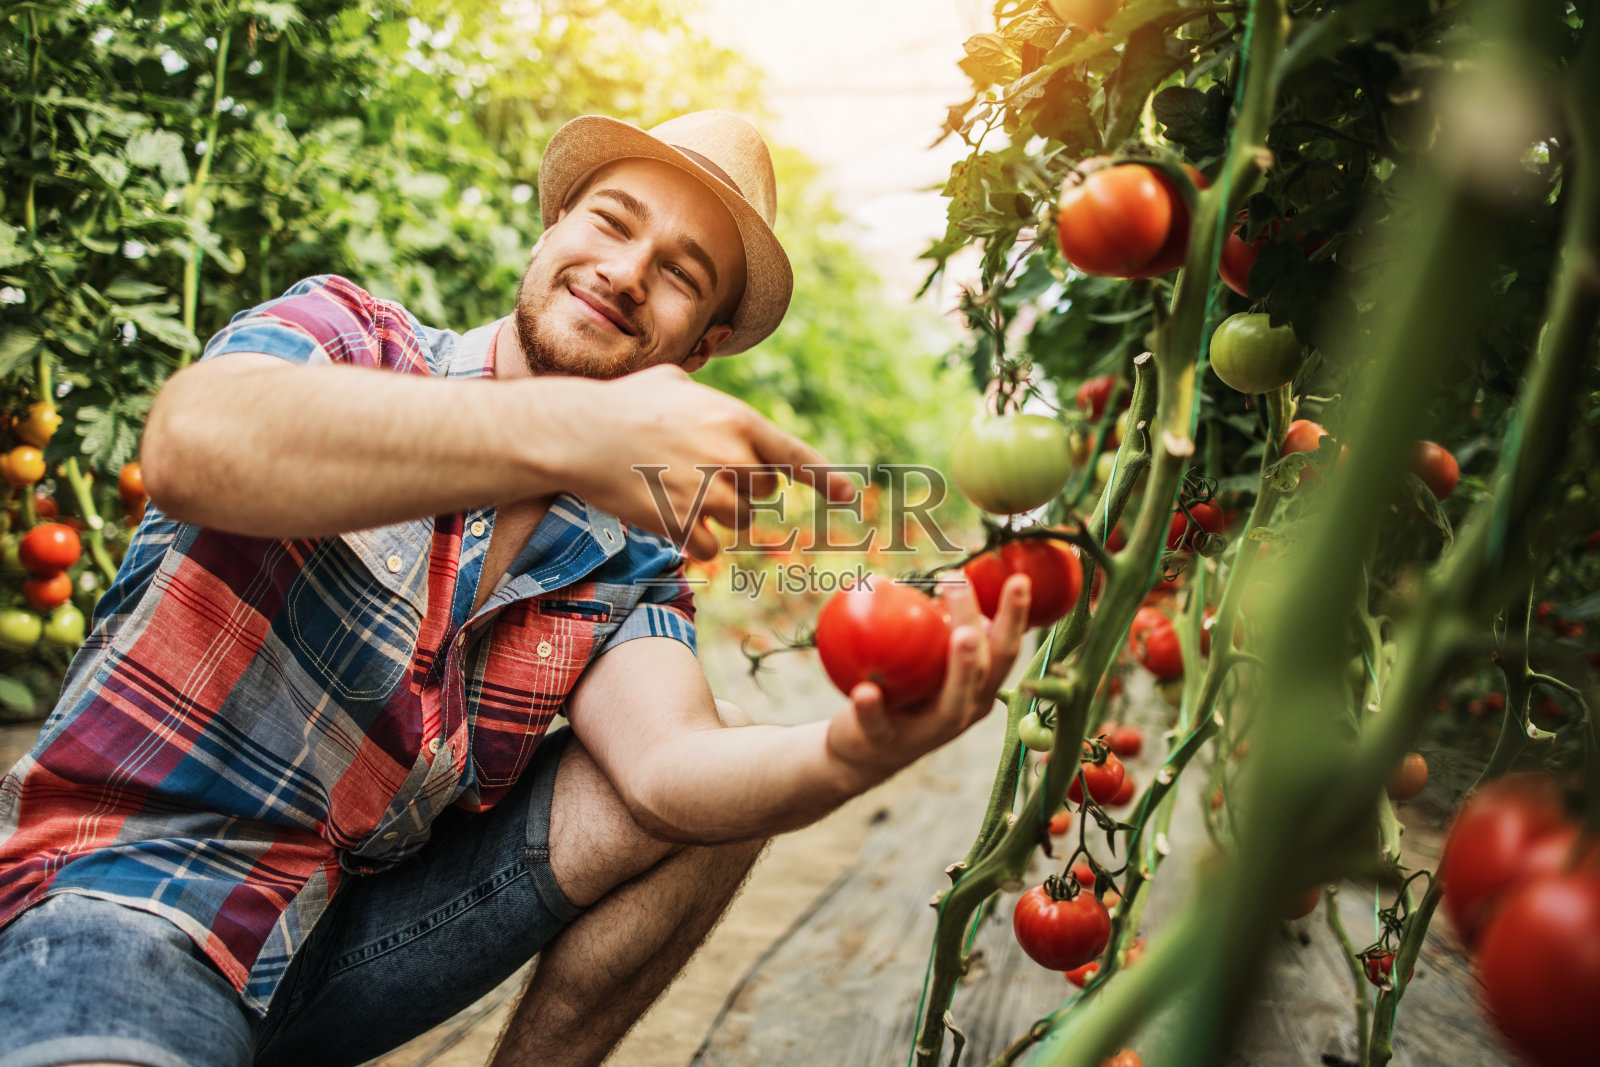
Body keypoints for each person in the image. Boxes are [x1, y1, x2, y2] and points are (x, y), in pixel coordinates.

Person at [0, 110, 1029, 1067]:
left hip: (339, 947)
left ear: (703, 346)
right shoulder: (355, 340)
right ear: (552, 229)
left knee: (736, 772)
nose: (627, 273)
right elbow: (193, 442)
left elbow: (669, 771)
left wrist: (843, 756)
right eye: (611, 223)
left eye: (679, 274)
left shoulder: (625, 551)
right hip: (126, 908)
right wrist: (572, 434)